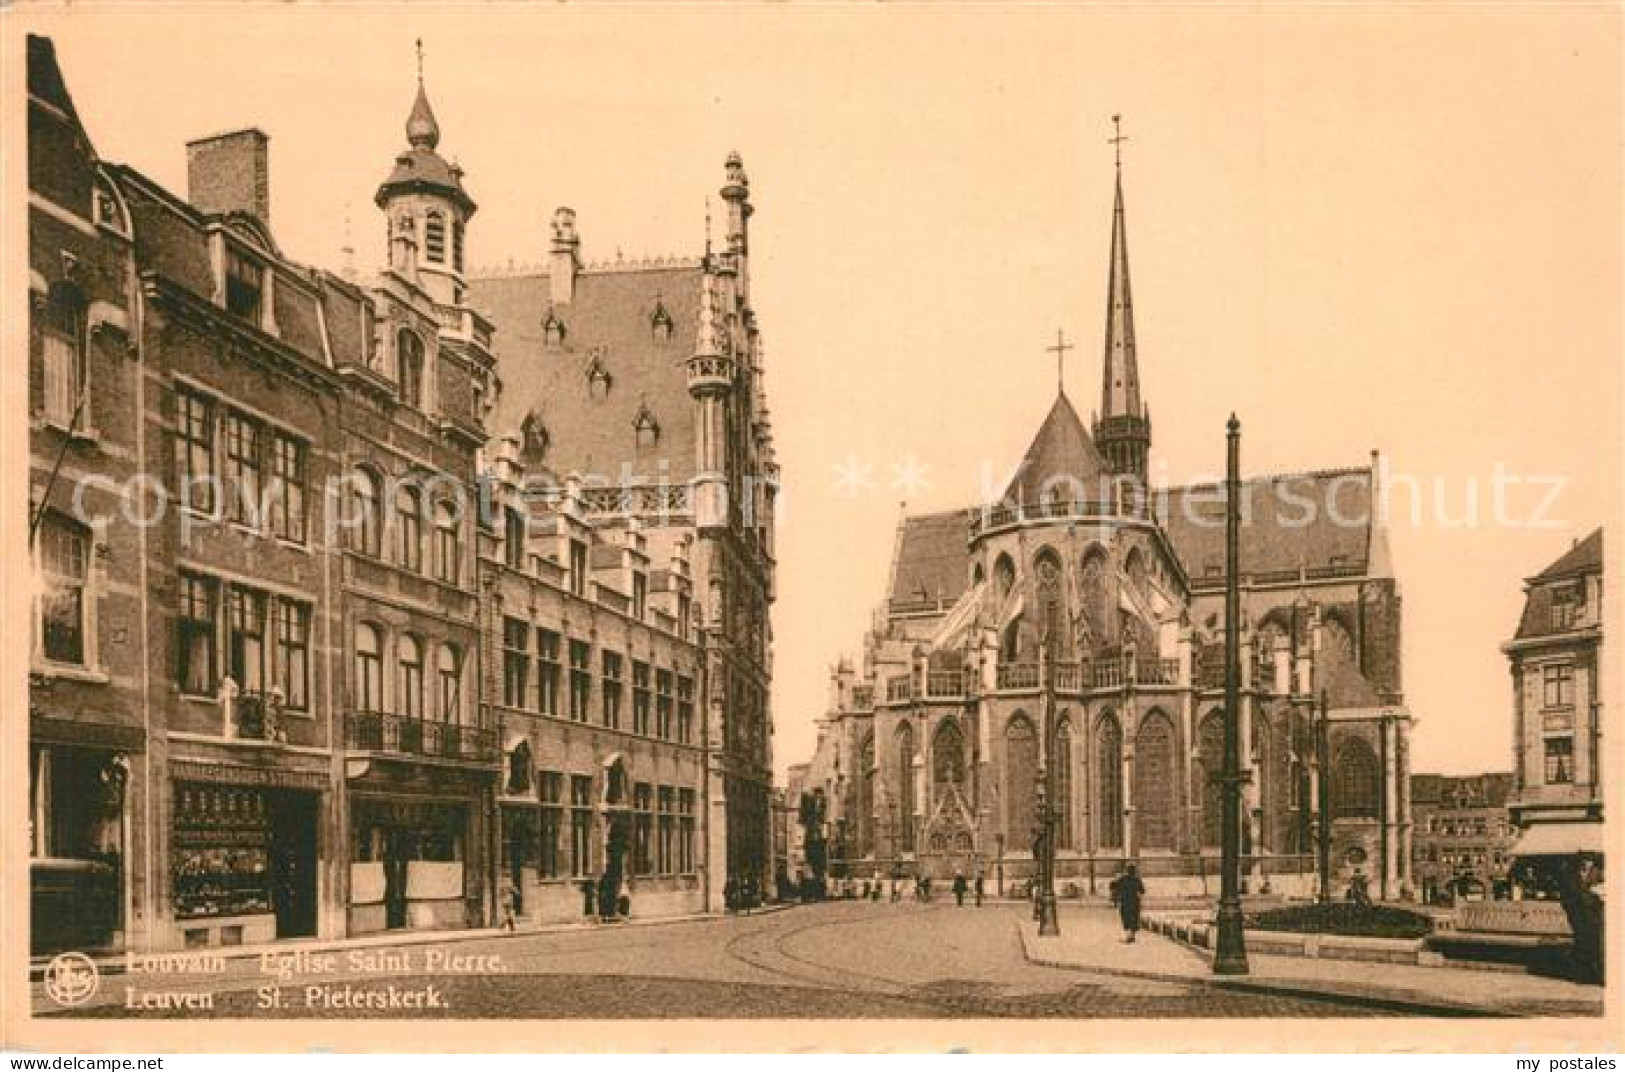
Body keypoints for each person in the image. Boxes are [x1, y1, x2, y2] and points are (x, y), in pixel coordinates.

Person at [1115, 864, 1145, 943]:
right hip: (1135, 901)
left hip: (1125, 901)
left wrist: (1118, 899)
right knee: (1134, 918)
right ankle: (1132, 935)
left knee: (1126, 918)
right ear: (1134, 871)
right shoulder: (1137, 879)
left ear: (1127, 871)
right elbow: (1142, 891)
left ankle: (1129, 936)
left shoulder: (1122, 879)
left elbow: (1117, 890)